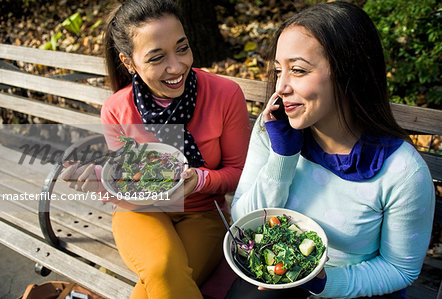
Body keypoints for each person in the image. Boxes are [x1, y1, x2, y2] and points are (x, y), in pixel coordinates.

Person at [229, 2, 435, 298]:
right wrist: (282, 158)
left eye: (298, 70)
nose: (282, 86)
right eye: (278, 70)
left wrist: (325, 283)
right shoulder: (275, 128)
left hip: (354, 288)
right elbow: (243, 222)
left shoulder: (402, 172)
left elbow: (401, 269)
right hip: (279, 279)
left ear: (347, 72)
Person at [60, 0, 250, 298]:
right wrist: (99, 181)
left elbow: (239, 175)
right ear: (129, 62)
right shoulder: (116, 109)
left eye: (182, 48)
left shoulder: (224, 95)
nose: (176, 66)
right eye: (157, 57)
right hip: (141, 213)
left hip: (203, 212)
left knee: (156, 285)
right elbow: (129, 185)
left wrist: (198, 180)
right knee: (161, 269)